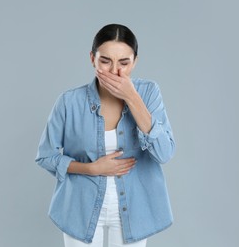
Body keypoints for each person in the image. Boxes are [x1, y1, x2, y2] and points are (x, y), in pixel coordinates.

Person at [36, 23, 176, 247]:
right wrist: (91, 168)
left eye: (124, 63)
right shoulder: (69, 102)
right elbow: (45, 156)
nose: (114, 71)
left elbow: (164, 153)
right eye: (105, 61)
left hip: (133, 209)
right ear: (92, 59)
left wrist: (132, 98)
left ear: (135, 62)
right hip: (80, 209)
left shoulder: (148, 93)